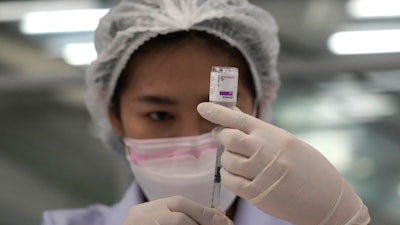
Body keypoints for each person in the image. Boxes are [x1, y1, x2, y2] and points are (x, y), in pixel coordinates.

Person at [42, 0, 371, 224]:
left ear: (258, 108)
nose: (193, 140)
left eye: (220, 111)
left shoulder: (316, 220)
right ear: (114, 117)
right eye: (159, 115)